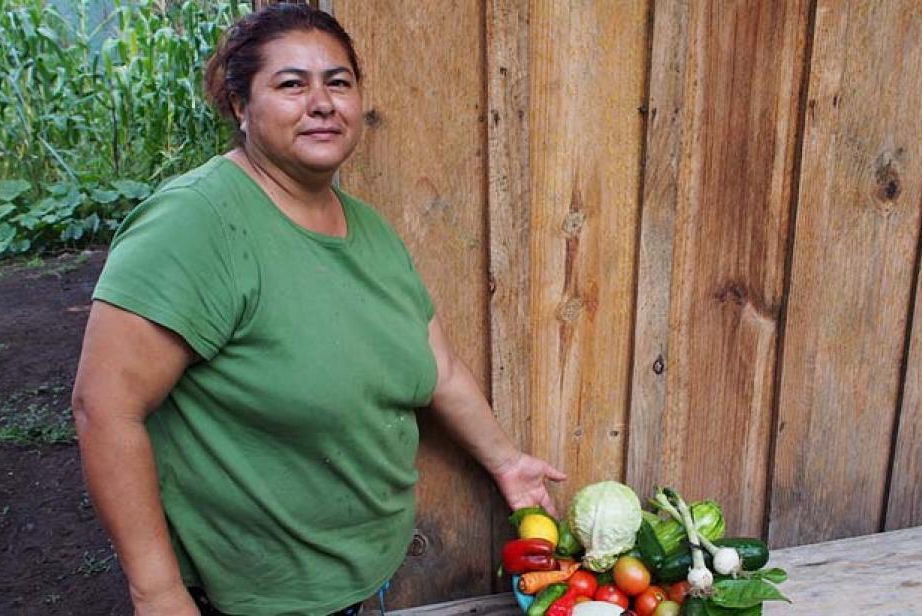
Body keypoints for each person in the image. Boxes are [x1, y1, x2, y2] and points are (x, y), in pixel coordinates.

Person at [71, 4, 565, 615]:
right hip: (250, 597)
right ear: (238, 106)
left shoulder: (368, 229)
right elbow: (105, 409)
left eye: (338, 82)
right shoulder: (198, 223)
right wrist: (158, 591)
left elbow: (437, 367)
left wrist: (508, 462)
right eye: (291, 84)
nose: (323, 102)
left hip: (353, 579)